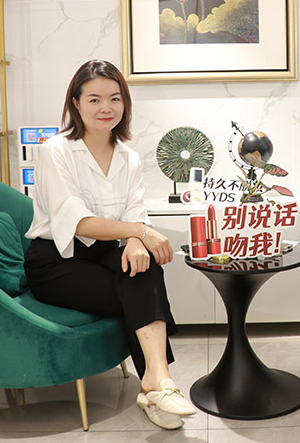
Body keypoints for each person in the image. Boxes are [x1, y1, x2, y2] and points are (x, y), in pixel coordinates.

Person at [23, 59, 195, 431]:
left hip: (104, 251)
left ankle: (157, 381)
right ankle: (157, 386)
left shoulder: (128, 157)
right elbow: (78, 222)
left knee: (143, 267)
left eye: (115, 99)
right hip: (56, 261)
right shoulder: (55, 150)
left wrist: (135, 239)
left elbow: (135, 210)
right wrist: (140, 233)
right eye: (95, 99)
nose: (106, 108)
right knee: (135, 288)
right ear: (76, 103)